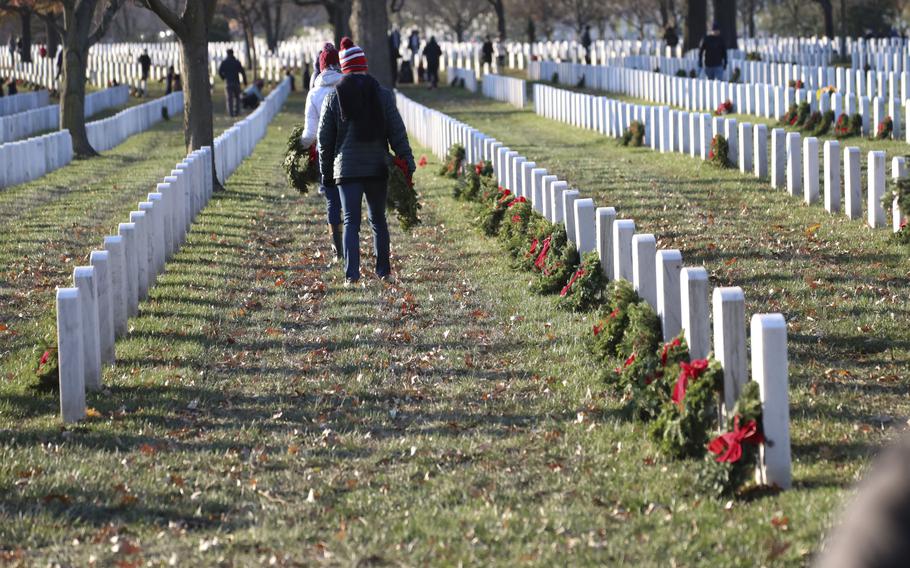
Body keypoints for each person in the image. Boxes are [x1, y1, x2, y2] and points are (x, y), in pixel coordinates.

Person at [318, 37, 415, 285]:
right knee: (378, 220)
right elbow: (397, 132)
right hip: (376, 167)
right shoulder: (382, 95)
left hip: (346, 169)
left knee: (351, 221)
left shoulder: (333, 97)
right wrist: (407, 164)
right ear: (364, 65)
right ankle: (383, 271)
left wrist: (325, 174)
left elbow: (325, 142)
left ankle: (352, 275)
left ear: (345, 68)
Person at [302, 43, 344, 260]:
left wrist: (300, 147)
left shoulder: (314, 94)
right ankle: (349, 245)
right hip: (347, 151)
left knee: (332, 201)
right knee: (348, 200)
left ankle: (337, 250)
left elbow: (310, 133)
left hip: (324, 152)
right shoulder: (346, 86)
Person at [218, 49, 246, 117]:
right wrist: (245, 81)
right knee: (237, 98)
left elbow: (219, 71)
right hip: (236, 82)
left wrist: (223, 77)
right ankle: (237, 112)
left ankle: (231, 113)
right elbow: (242, 72)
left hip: (228, 82)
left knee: (229, 99)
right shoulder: (236, 62)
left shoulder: (224, 62)